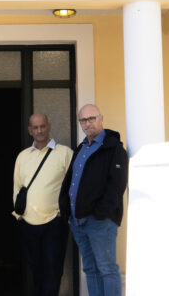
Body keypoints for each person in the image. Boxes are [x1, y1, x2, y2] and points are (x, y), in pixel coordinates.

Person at [59, 104, 128, 296]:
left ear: (101, 118)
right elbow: (71, 180)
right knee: (90, 269)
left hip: (100, 221)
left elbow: (117, 185)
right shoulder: (81, 148)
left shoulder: (113, 148)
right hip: (78, 221)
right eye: (83, 120)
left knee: (107, 269)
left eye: (92, 118)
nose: (88, 123)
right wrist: (66, 209)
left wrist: (100, 214)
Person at [13, 113, 73, 296]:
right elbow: (17, 187)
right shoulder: (23, 156)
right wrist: (19, 215)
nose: (39, 131)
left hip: (54, 222)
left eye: (42, 126)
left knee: (53, 272)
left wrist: (64, 212)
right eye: (35, 127)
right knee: (35, 272)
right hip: (28, 223)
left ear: (49, 126)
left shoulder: (64, 153)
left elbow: (74, 185)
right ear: (30, 130)